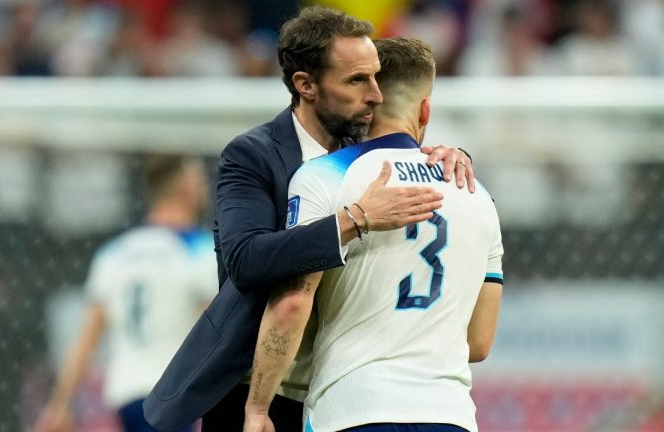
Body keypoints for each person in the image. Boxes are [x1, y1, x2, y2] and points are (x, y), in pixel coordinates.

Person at [143, 6, 476, 432]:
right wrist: (354, 220)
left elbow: (415, 152)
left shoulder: (366, 150)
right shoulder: (253, 156)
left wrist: (456, 157)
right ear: (306, 85)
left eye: (375, 76)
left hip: (338, 392)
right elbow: (246, 260)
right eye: (357, 80)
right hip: (257, 388)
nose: (376, 94)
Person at [244, 37, 504, 432]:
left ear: (367, 99)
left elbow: (293, 305)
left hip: (353, 409)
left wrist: (258, 408)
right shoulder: (475, 191)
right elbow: (480, 341)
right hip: (449, 415)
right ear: (426, 109)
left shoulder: (324, 177)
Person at [35, 155, 217, 432]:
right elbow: (218, 328)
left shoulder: (114, 254)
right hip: (175, 394)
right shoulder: (199, 251)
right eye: (201, 181)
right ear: (187, 188)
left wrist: (60, 404)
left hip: (126, 396)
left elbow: (87, 338)